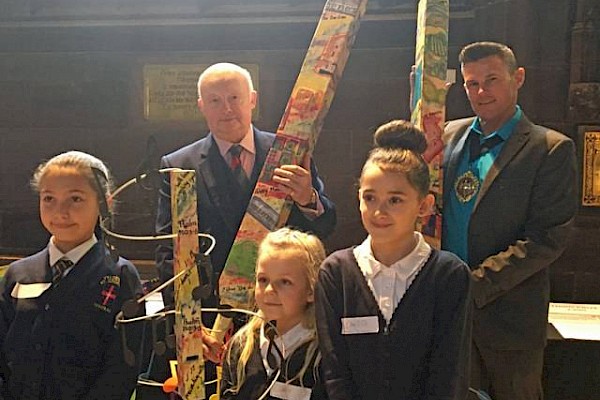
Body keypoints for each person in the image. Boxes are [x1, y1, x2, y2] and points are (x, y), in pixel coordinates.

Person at [442, 41, 577, 400]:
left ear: (518, 78)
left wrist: (472, 286)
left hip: (508, 319)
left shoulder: (549, 148)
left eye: (492, 79)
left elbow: (547, 238)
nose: (481, 91)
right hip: (445, 313)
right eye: (472, 83)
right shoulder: (446, 136)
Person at [315, 120, 472, 400]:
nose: (379, 212)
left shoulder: (449, 274)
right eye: (370, 198)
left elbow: (449, 371)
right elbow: (335, 370)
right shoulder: (335, 272)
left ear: (424, 205)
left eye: (395, 200)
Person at [0, 151, 142, 400]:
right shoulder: (18, 274)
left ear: (104, 204)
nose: (60, 212)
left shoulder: (119, 275)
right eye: (49, 199)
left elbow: (122, 369)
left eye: (75, 199)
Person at [220, 227, 327, 399]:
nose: (269, 290)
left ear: (311, 291)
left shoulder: (324, 354)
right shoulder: (240, 347)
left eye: (285, 282)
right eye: (263, 280)